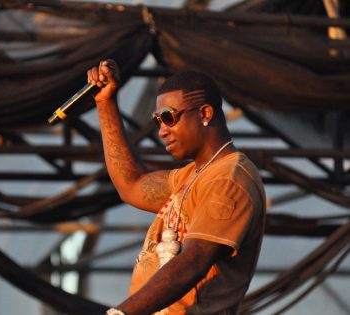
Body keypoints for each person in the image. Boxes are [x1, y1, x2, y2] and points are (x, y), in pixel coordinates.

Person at [87, 59, 266, 315]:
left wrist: (121, 314)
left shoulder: (229, 179)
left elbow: (193, 262)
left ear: (205, 114)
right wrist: (105, 103)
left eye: (169, 118)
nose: (162, 131)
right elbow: (131, 185)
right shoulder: (190, 176)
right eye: (158, 120)